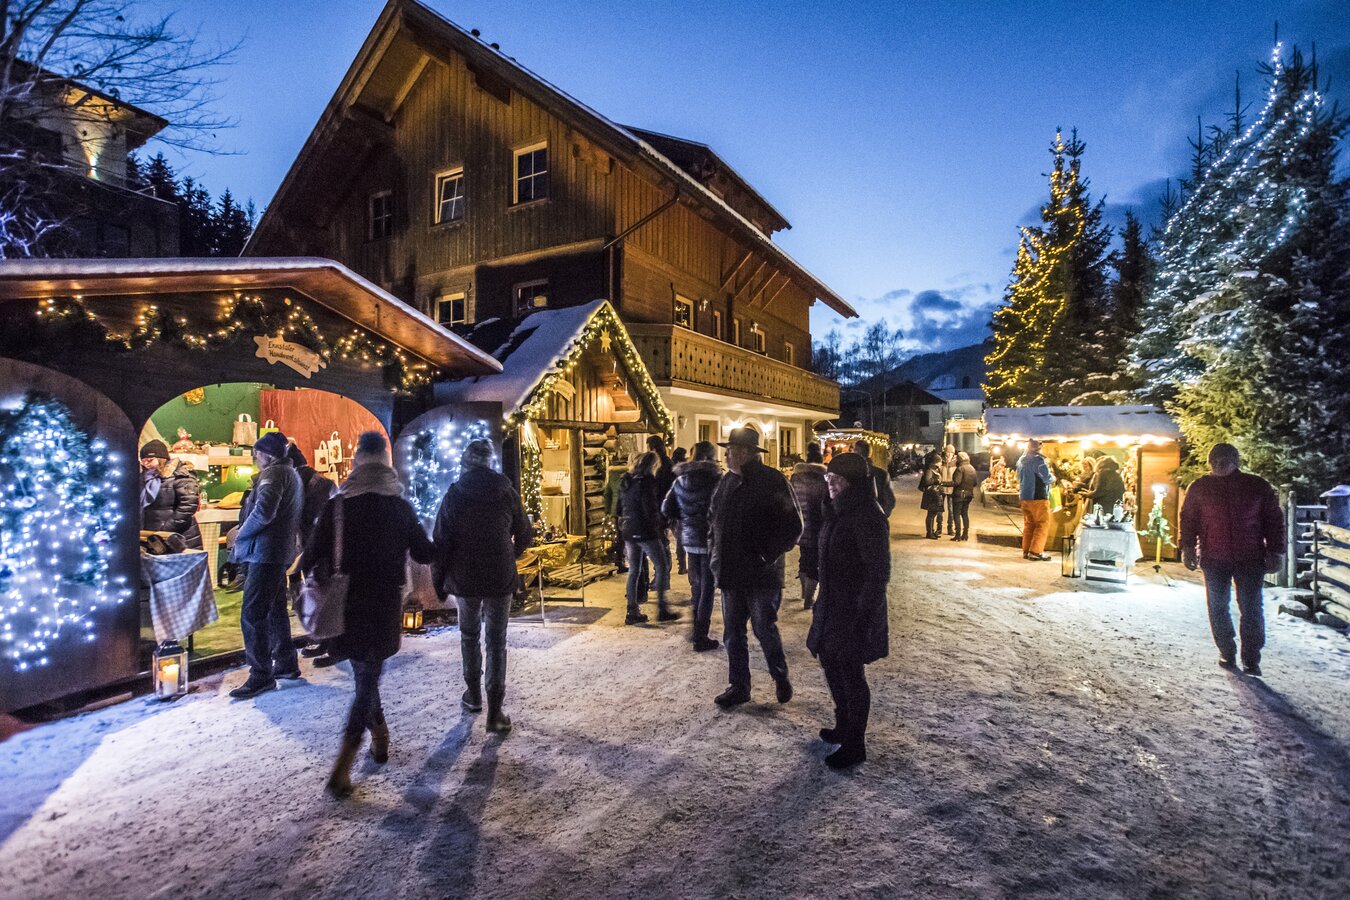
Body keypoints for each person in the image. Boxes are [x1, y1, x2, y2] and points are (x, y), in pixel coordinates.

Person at [305, 431, 435, 797]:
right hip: (382, 604)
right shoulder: (399, 507)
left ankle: (377, 736)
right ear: (386, 463)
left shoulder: (337, 506)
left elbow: (312, 555)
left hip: (344, 603)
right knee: (367, 677)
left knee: (364, 674)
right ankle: (345, 763)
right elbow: (424, 553)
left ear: (358, 461)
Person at [432, 439, 533, 732]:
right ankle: (495, 712)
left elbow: (441, 540)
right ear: (490, 462)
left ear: (466, 462)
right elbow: (524, 532)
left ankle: (474, 695)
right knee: (497, 640)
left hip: (464, 576)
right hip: (499, 575)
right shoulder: (506, 491)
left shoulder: (455, 494)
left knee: (469, 635)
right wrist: (510, 555)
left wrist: (439, 581)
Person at [709, 427, 802, 707]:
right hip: (730, 572)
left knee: (764, 628)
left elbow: (793, 526)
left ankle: (779, 675)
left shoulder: (772, 481)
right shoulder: (726, 482)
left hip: (762, 574)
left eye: (729, 451)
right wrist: (714, 552)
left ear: (745, 453)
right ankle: (739, 686)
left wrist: (766, 555)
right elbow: (713, 518)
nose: (725, 455)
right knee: (733, 633)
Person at [808, 452, 890, 769]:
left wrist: (863, 616)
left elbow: (877, 572)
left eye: (837, 480)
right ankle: (843, 724)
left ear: (852, 484)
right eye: (829, 478)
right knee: (830, 664)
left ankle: (855, 743)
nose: (830, 484)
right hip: (831, 604)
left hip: (853, 610)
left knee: (851, 674)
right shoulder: (836, 511)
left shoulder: (867, 515)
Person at [1179, 443, 1284, 676]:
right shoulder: (1200, 487)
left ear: (1235, 462)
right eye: (1214, 461)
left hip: (1250, 557)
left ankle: (1251, 658)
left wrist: (1276, 551)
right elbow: (1188, 519)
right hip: (1214, 557)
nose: (1219, 465)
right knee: (1217, 606)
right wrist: (1187, 547)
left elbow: (1273, 520)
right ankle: (1226, 650)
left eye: (1224, 460)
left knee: (1251, 607)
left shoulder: (1255, 486)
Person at [229, 431, 304, 699]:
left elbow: (263, 512)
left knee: (252, 613)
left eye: (257, 453)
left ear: (267, 454)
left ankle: (260, 675)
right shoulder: (291, 474)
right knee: (275, 609)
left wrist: (241, 534)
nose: (254, 458)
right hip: (278, 552)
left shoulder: (273, 474)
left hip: (264, 553)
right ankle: (285, 662)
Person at [662, 441, 723, 650]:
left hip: (689, 540)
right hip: (709, 540)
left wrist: (685, 520)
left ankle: (696, 629)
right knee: (707, 588)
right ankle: (700, 635)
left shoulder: (681, 480)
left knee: (697, 586)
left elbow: (666, 508)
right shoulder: (716, 480)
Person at [289, 444, 341, 667]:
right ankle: (325, 641)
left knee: (323, 596)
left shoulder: (296, 483)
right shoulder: (323, 483)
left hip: (317, 549)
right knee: (323, 596)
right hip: (320, 548)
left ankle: (331, 644)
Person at [620, 451, 676, 624]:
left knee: (634, 570)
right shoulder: (647, 482)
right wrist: (658, 524)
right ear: (652, 466)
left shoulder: (627, 481)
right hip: (645, 531)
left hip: (629, 530)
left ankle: (632, 611)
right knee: (662, 566)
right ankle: (662, 608)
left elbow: (619, 508)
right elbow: (649, 508)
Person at [139, 440, 203, 549]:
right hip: (153, 536)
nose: (146, 464)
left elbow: (188, 506)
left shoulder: (181, 476)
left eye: (150, 460)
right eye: (143, 461)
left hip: (180, 537)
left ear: (161, 459)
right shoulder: (144, 478)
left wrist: (166, 529)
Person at [790, 442, 830, 609]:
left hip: (800, 525)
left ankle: (803, 591)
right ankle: (809, 597)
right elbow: (827, 504)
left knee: (804, 557)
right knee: (814, 561)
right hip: (817, 526)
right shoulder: (823, 479)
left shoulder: (796, 477)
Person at [1017, 439, 1053, 561]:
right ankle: (1035, 552)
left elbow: (1019, 477)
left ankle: (1026, 550)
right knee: (1042, 524)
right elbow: (1047, 478)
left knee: (1029, 524)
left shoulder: (1021, 460)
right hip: (1038, 497)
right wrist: (1054, 477)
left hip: (1024, 497)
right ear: (1039, 446)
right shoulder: (1038, 460)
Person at [648, 435, 676, 576]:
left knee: (660, 540)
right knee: (660, 539)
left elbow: (660, 486)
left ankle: (663, 572)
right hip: (662, 505)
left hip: (660, 505)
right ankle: (662, 571)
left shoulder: (659, 464)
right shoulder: (667, 462)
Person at [602, 453, 628, 573]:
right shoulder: (629, 474)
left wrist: (607, 510)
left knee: (620, 536)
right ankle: (616, 555)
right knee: (625, 538)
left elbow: (607, 493)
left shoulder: (612, 475)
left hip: (615, 511)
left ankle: (618, 560)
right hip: (627, 510)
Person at [950, 451, 978, 542]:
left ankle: (957, 535)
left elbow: (956, 482)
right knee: (965, 514)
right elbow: (975, 483)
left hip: (959, 495)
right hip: (969, 495)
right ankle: (965, 534)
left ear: (959, 459)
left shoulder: (960, 469)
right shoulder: (972, 468)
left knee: (956, 514)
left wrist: (944, 483)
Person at [670, 446, 689, 574]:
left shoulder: (671, 470)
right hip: (683, 507)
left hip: (675, 507)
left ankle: (681, 564)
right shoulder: (685, 471)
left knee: (679, 538)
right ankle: (682, 565)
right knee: (682, 538)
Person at [919, 451, 945, 539]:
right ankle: (929, 532)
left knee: (933, 514)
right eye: (940, 462)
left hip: (935, 495)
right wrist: (935, 480)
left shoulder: (935, 470)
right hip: (931, 496)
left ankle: (931, 531)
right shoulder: (930, 470)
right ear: (936, 462)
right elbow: (927, 481)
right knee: (931, 514)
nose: (941, 463)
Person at [938, 445, 958, 536]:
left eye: (951, 452)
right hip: (941, 489)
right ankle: (939, 528)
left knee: (951, 509)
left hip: (951, 489)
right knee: (939, 509)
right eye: (948, 452)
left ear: (953, 453)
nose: (949, 454)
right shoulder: (940, 461)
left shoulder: (956, 463)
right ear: (945, 452)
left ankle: (950, 528)